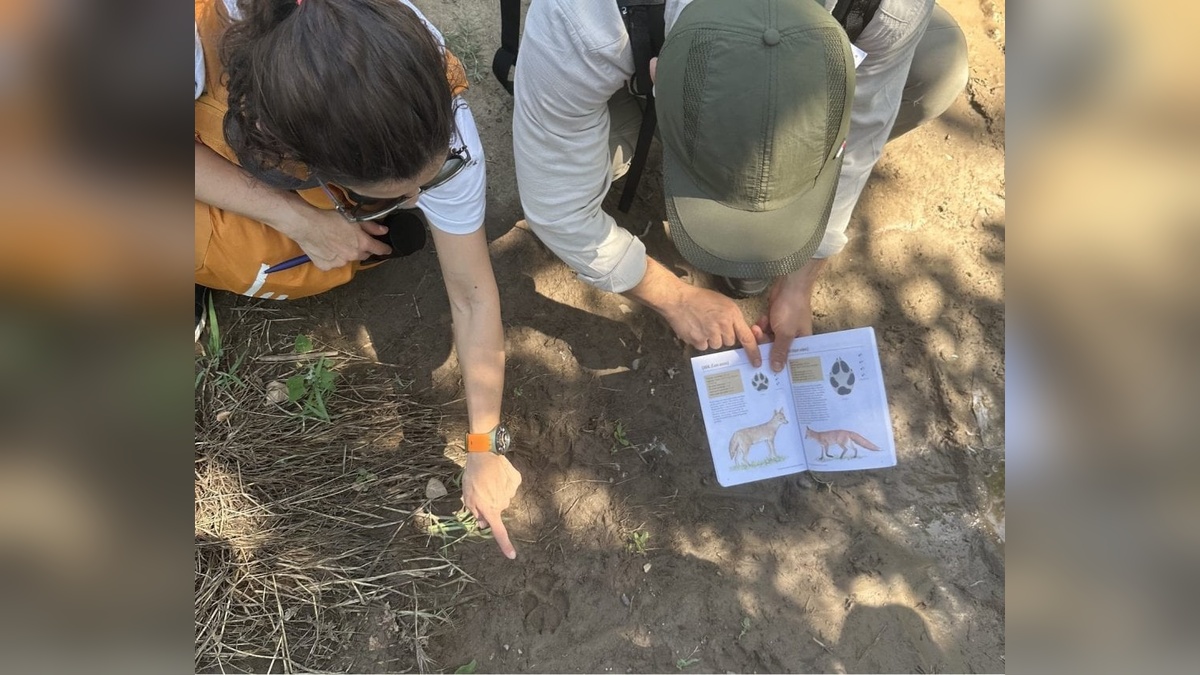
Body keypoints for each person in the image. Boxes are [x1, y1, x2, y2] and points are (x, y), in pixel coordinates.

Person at [195, 0, 521, 558]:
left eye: (437, 171)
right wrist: (294, 218)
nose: (420, 200)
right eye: (389, 193)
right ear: (285, 154)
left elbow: (472, 294)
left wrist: (484, 442)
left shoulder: (414, 77)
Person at [513, 0, 968, 372]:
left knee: (938, 64)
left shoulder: (888, 6)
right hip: (624, 50)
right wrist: (673, 297)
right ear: (656, 75)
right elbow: (557, 206)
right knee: (576, 160)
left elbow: (864, 129)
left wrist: (802, 275)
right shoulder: (580, 18)